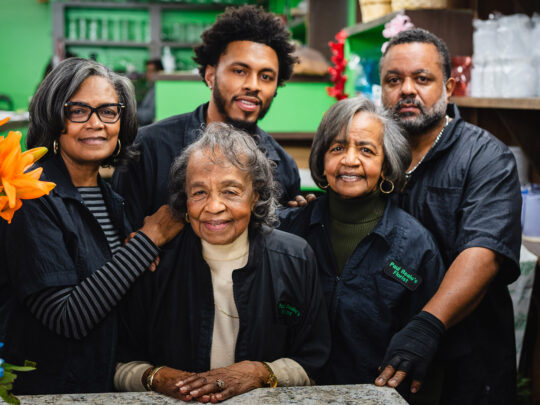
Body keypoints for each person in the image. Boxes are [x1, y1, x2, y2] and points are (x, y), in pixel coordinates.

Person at [0, 57, 183, 394]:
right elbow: (67, 317)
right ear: (55, 119)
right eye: (78, 111)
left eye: (108, 111)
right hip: (48, 392)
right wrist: (148, 240)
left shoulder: (111, 200)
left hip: (99, 385)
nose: (96, 123)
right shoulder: (29, 197)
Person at [115, 123, 330, 403]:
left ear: (256, 195)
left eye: (230, 191)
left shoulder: (295, 259)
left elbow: (314, 362)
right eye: (200, 192)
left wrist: (260, 372)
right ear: (185, 197)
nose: (213, 207)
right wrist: (155, 377)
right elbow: (117, 363)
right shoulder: (156, 261)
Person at [375, 29, 522, 405]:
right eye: (394, 80)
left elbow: (483, 254)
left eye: (422, 79)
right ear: (381, 90)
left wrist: (426, 326)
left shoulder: (485, 157)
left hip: (468, 356)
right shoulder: (372, 154)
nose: (407, 89)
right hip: (385, 352)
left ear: (449, 87)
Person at [278, 96, 445, 400]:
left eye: (366, 150)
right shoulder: (288, 230)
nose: (349, 160)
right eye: (337, 148)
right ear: (322, 158)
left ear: (385, 166)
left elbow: (426, 352)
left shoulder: (416, 247)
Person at [113, 5, 301, 229]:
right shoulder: (147, 148)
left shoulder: (283, 167)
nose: (253, 85)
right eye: (240, 71)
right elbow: (118, 237)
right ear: (210, 75)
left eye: (266, 76)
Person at [137, 59, 163, 126]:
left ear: (159, 72)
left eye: (151, 71)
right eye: (147, 71)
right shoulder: (152, 88)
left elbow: (149, 115)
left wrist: (130, 112)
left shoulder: (159, 90)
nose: (148, 74)